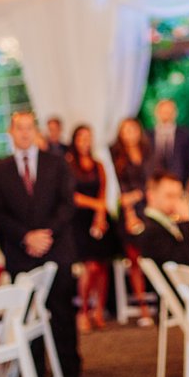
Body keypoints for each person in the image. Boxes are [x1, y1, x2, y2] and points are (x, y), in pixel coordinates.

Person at [0, 112, 82, 377]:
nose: (25, 133)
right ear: (11, 131)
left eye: (30, 128)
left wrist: (45, 234)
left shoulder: (56, 164)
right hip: (21, 252)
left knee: (62, 313)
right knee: (28, 317)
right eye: (19, 128)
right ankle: (36, 375)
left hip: (56, 248)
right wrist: (26, 237)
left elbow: (68, 204)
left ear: (36, 131)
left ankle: (70, 373)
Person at [67, 125, 127, 332]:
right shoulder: (68, 165)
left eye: (88, 138)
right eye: (82, 137)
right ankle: (83, 310)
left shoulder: (98, 165)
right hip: (80, 220)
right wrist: (96, 206)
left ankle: (99, 310)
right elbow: (70, 196)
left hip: (98, 219)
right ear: (75, 140)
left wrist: (100, 216)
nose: (85, 141)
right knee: (89, 266)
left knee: (102, 267)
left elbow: (103, 190)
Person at [109, 117, 157, 327]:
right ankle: (143, 308)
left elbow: (155, 180)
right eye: (125, 130)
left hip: (149, 209)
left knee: (154, 256)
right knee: (135, 259)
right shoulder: (116, 157)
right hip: (130, 213)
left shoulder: (149, 153)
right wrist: (129, 212)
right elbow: (119, 190)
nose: (130, 133)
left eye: (133, 129)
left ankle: (164, 303)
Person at [123, 170, 189, 267]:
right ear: (151, 196)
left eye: (179, 196)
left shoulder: (164, 223)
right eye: (170, 196)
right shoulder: (151, 229)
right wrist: (187, 220)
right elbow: (187, 261)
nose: (176, 202)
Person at [150, 99, 189, 187]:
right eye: (163, 112)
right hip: (155, 182)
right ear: (157, 113)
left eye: (169, 112)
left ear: (175, 113)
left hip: (179, 181)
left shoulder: (185, 135)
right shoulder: (148, 135)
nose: (166, 115)